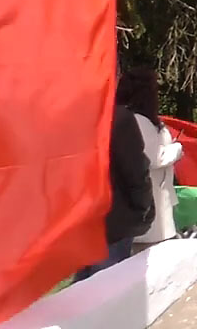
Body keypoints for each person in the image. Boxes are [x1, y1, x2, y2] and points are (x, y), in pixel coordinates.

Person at [74, 78, 155, 281]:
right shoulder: (119, 119)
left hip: (82, 222)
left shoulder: (70, 118)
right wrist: (143, 208)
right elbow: (136, 171)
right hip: (114, 222)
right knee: (106, 291)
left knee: (84, 290)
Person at [120, 66, 182, 248]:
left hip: (159, 198)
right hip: (148, 201)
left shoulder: (144, 120)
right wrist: (177, 149)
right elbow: (152, 158)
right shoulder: (137, 121)